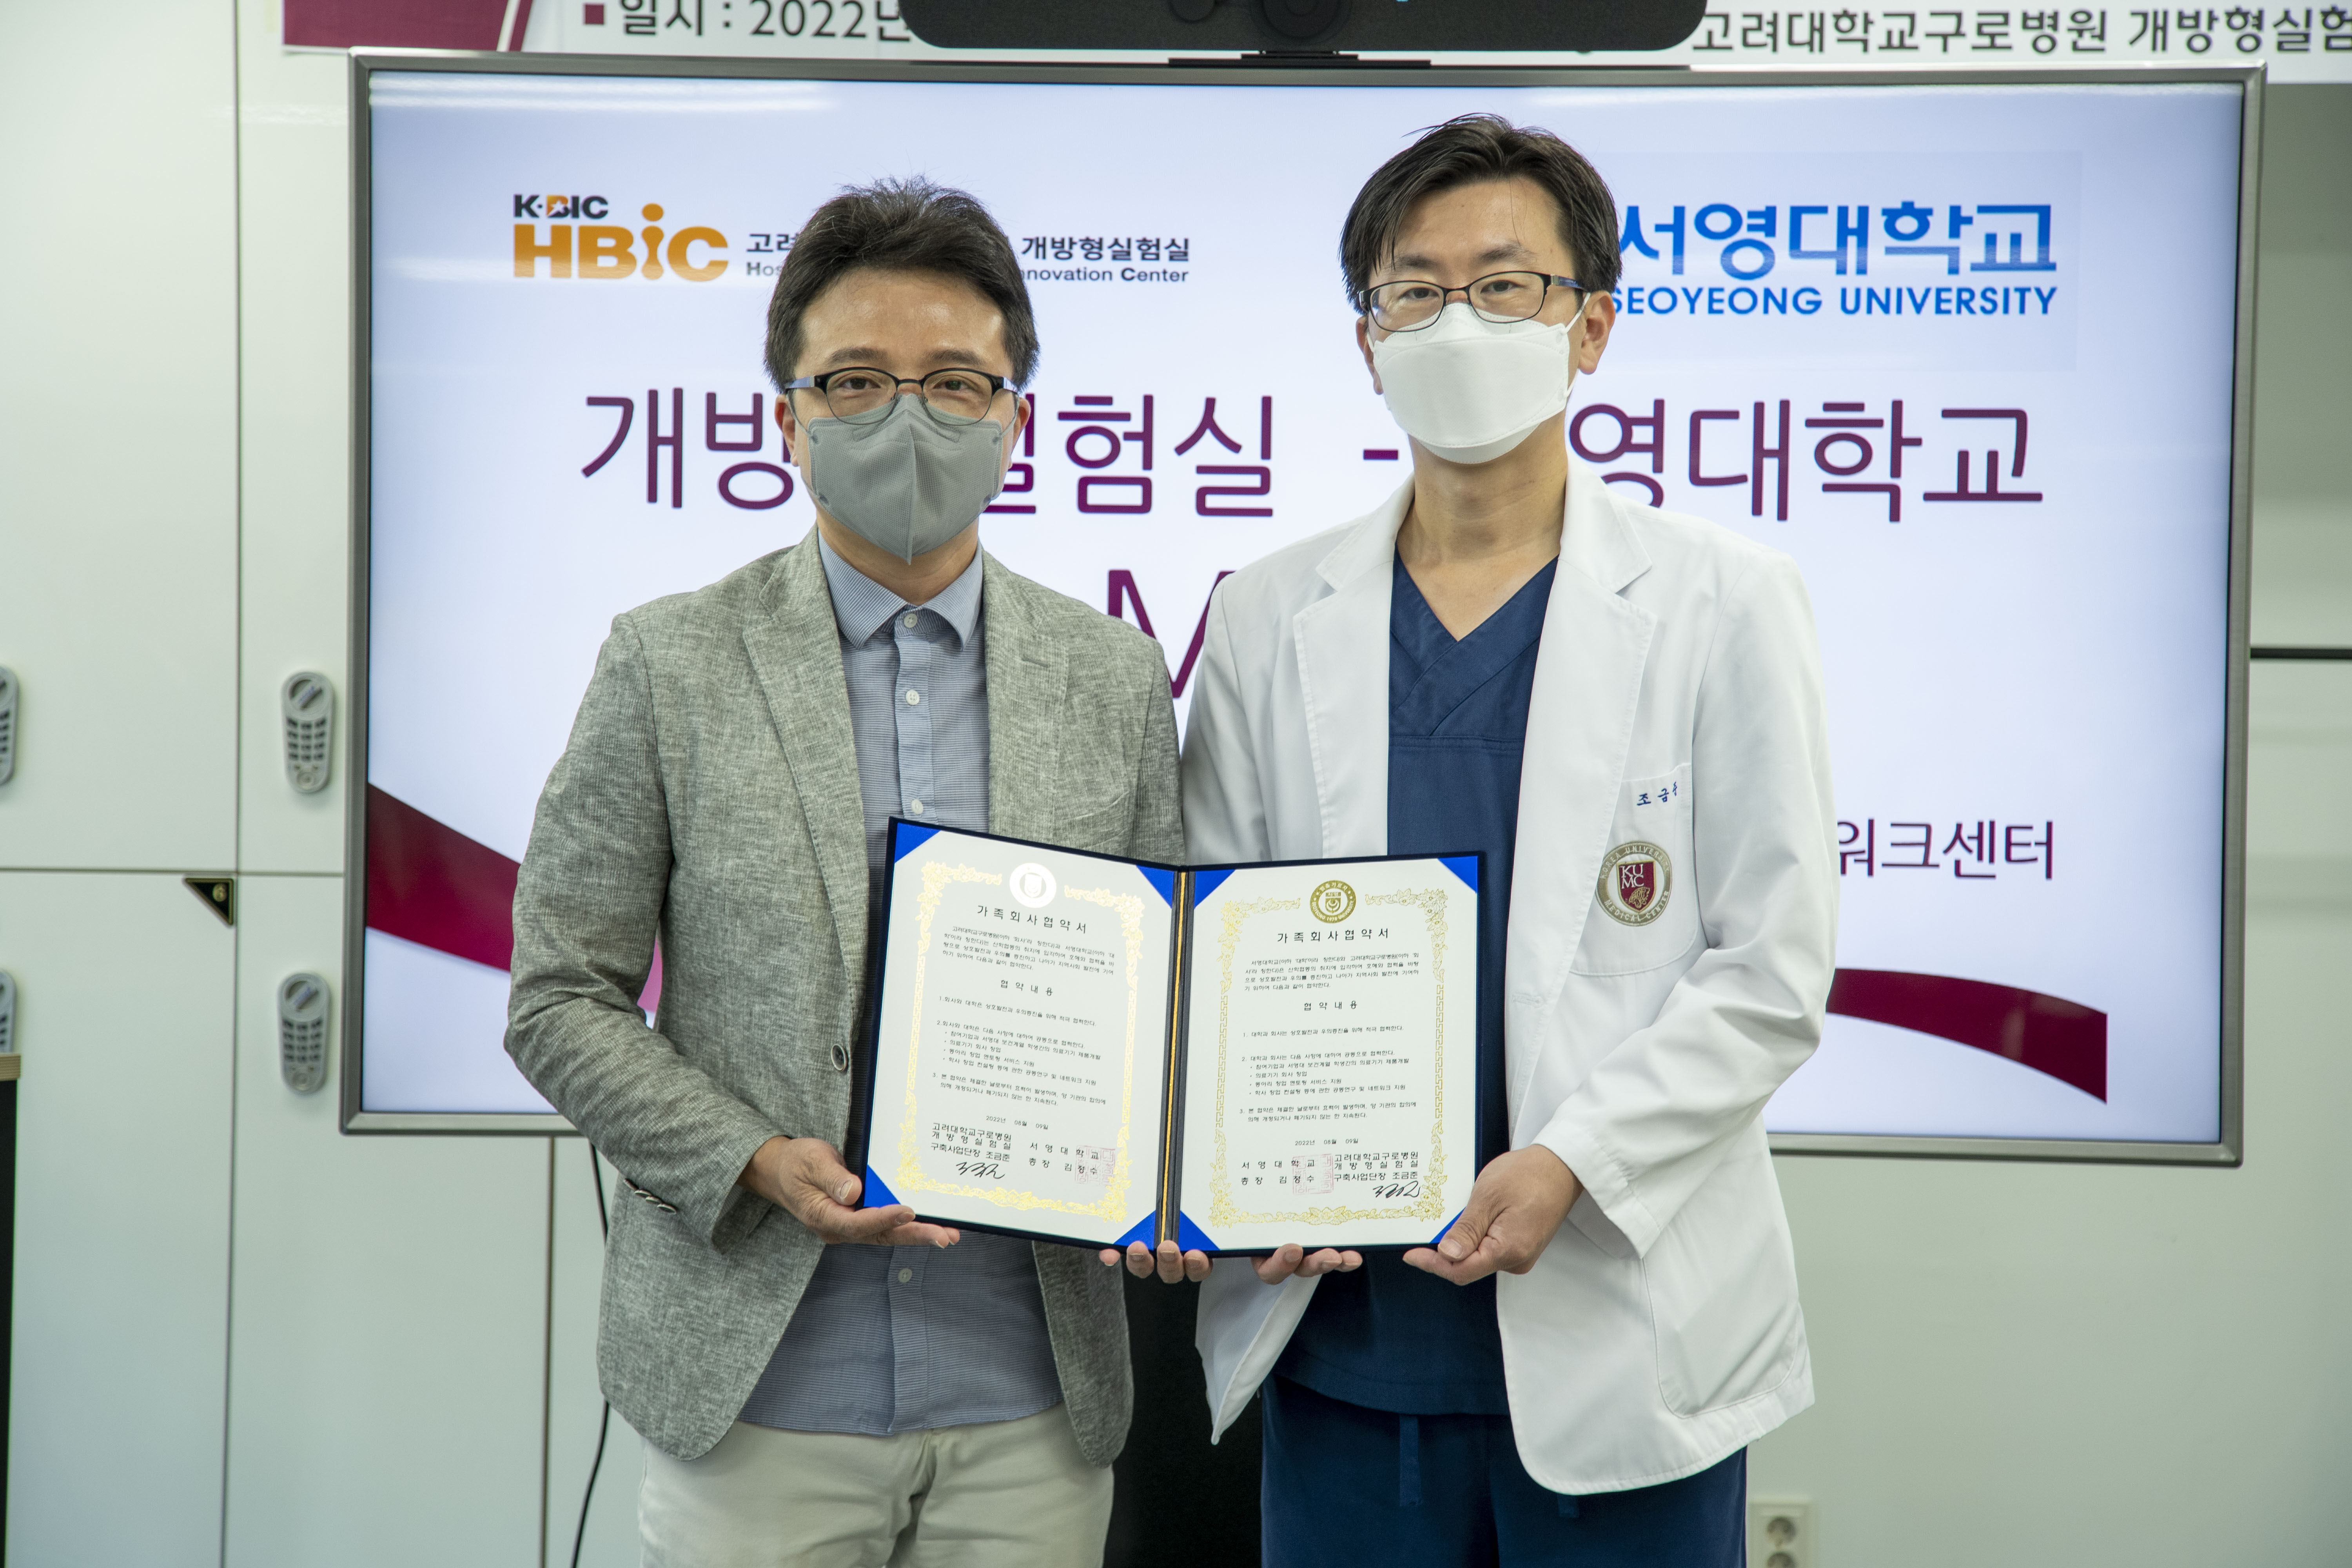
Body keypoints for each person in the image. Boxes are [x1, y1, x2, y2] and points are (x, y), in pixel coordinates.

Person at [1176, 115, 1840, 1566]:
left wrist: (1574, 1162)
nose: (1457, 323)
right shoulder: (1267, 614)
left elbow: (1773, 972)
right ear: (1367, 339)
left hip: (1626, 1316)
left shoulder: (1724, 600)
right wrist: (1230, 1167)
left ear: (1590, 325)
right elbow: (1211, 948)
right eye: (1414, 291)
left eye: (1506, 285)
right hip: (1346, 1338)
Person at [506, 177, 1183, 1568]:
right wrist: (749, 1157)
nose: (907, 419)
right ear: (789, 420)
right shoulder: (670, 661)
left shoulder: (1113, 677)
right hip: (758, 1390)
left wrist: (1191, 1173)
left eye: (954, 383)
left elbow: (1167, 999)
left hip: (1031, 1393)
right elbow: (559, 994)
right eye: (858, 382)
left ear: (1016, 418)